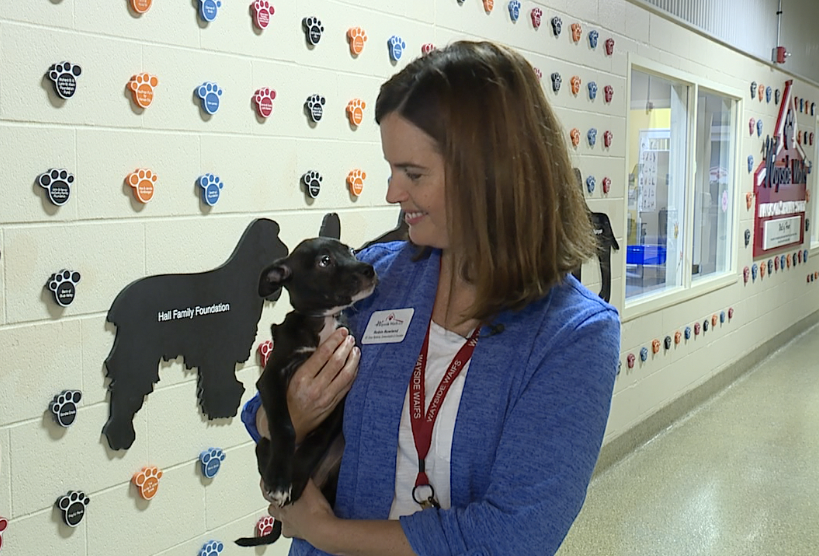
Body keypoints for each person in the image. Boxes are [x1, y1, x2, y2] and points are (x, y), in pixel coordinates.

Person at [241, 40, 620, 556]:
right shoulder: (374, 284)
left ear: (489, 174)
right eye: (391, 168)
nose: (393, 192)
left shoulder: (573, 337)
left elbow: (511, 538)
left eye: (413, 173)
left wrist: (324, 530)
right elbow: (260, 408)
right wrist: (286, 419)